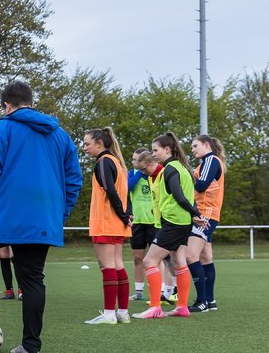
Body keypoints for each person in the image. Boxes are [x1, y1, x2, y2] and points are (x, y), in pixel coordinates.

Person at [0, 80, 82, 353]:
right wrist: (59, 213)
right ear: (31, 102)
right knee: (33, 280)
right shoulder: (60, 135)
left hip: (4, 216)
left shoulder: (1, 129)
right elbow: (74, 180)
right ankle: (31, 345)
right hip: (42, 218)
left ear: (6, 105)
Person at [134, 132, 205, 320]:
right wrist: (193, 215)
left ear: (167, 149)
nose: (153, 153)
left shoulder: (171, 169)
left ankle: (155, 307)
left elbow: (179, 196)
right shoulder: (181, 167)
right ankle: (182, 307)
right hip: (181, 222)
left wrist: (196, 214)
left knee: (149, 261)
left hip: (174, 222)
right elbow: (184, 196)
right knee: (179, 262)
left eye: (155, 150)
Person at [81, 127, 132, 324]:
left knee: (107, 266)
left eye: (87, 144)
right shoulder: (118, 163)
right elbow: (125, 193)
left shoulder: (103, 162)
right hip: (117, 223)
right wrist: (127, 215)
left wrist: (122, 214)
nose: (85, 148)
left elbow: (111, 192)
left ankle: (110, 314)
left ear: (99, 144)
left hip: (106, 222)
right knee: (118, 265)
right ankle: (122, 313)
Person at [187, 135, 227, 313]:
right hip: (206, 214)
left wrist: (184, 181)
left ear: (206, 145)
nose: (193, 149)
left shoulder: (211, 160)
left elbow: (202, 185)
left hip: (206, 216)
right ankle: (210, 301)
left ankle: (201, 301)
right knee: (205, 258)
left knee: (190, 256)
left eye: (195, 145)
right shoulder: (205, 163)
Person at [126, 148, 160, 302]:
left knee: (157, 259)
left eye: (137, 160)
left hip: (154, 222)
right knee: (137, 258)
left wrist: (146, 172)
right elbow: (127, 187)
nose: (134, 162)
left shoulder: (154, 174)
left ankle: (161, 291)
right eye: (133, 160)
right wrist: (139, 171)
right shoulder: (133, 173)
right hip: (137, 222)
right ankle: (139, 291)